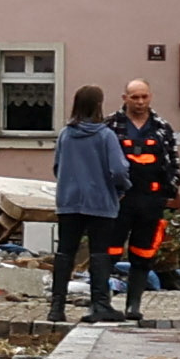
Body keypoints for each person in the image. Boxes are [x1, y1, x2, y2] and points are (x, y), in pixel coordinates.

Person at [47, 85, 129, 322]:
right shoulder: (105, 136)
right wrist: (122, 188)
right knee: (99, 253)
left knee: (65, 252)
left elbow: (57, 167)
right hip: (100, 202)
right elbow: (119, 169)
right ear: (98, 105)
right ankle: (100, 305)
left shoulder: (65, 135)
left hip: (69, 202)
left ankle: (57, 307)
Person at [110, 79, 180, 324]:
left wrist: (170, 190)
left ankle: (134, 304)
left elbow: (173, 161)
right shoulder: (111, 125)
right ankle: (102, 302)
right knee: (108, 251)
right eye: (135, 97)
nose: (140, 102)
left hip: (151, 200)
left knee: (143, 253)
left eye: (144, 97)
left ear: (150, 97)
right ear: (125, 98)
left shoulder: (161, 127)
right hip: (119, 200)